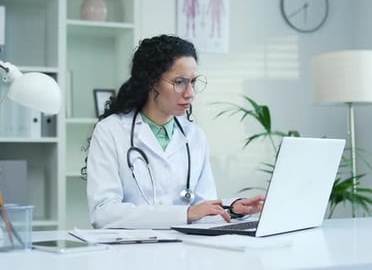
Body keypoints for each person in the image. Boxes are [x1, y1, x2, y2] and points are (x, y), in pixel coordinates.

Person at [85, 34, 264, 229]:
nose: (190, 93)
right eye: (179, 82)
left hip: (184, 250)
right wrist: (183, 214)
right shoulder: (111, 131)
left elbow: (202, 210)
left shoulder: (194, 136)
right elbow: (103, 213)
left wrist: (232, 210)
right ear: (151, 81)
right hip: (130, 251)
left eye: (193, 82)